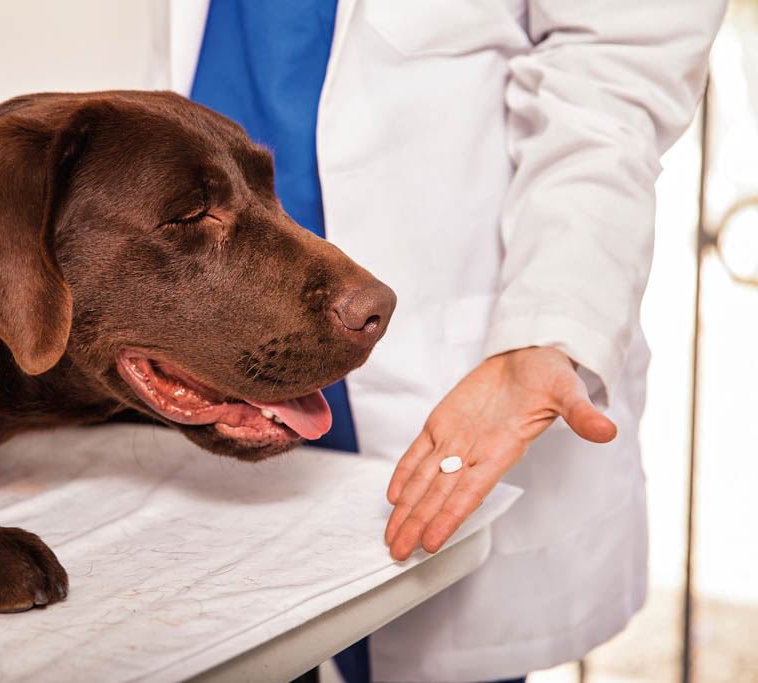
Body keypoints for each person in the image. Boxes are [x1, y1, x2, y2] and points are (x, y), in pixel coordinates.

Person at [148, 2, 726, 681]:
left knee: (423, 620)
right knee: (226, 642)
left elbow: (615, 75)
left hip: (443, 355)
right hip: (214, 327)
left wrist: (550, 318)